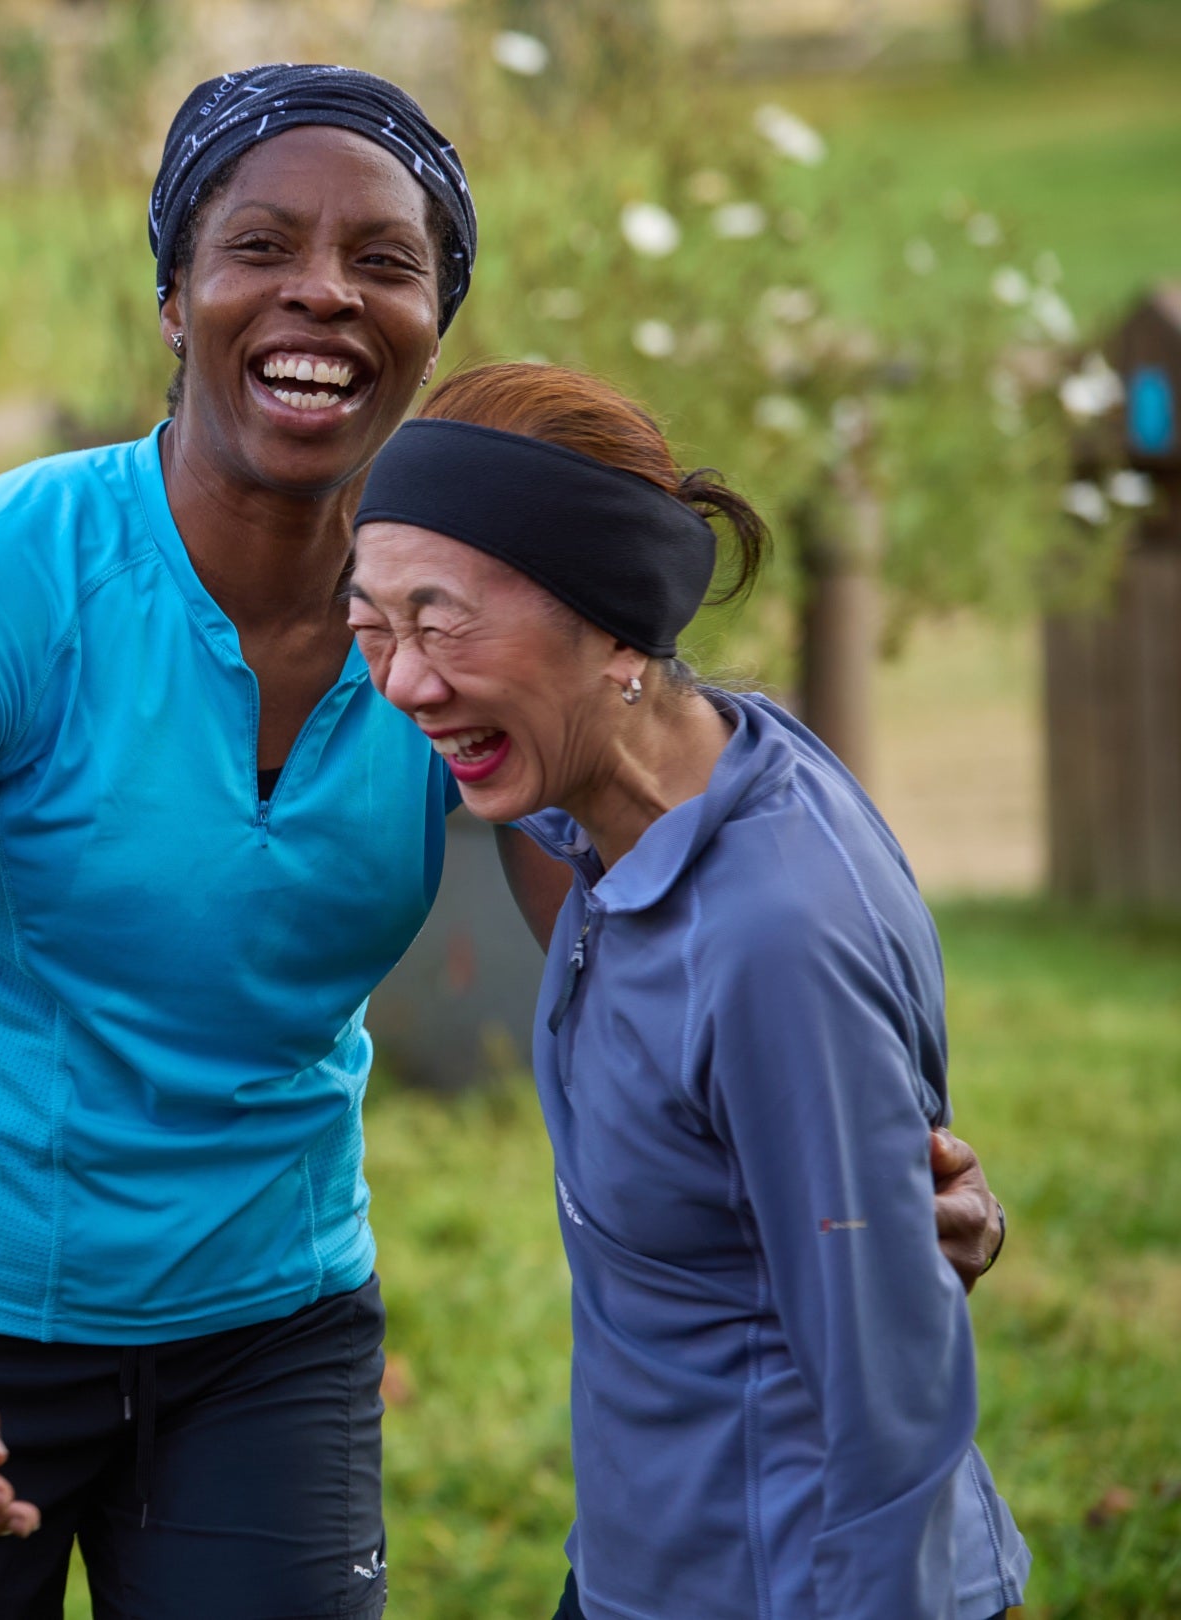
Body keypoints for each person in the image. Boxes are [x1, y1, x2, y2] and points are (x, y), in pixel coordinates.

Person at [0, 63, 1005, 1620]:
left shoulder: (456, 640)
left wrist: (863, 1165)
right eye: (259, 247)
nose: (322, 292)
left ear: (434, 324)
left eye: (385, 261)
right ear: (177, 297)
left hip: (270, 1329)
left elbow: (654, 940)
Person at [346, 362, 1031, 1620]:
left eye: (442, 625)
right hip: (640, 1566)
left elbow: (892, 1413)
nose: (403, 682)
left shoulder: (769, 936)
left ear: (613, 625)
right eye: (374, 630)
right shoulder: (686, 777)